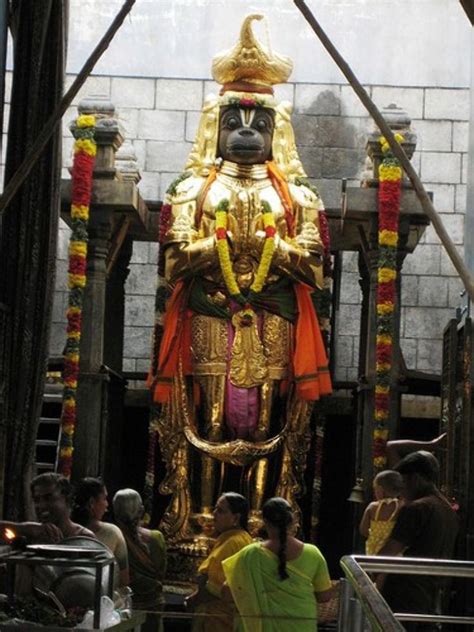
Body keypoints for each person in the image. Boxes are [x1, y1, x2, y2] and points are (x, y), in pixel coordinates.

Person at [147, 13, 332, 541]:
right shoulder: (193, 190)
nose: (246, 133)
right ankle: (201, 519)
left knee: (272, 418)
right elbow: (174, 263)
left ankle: (263, 521)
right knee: (207, 420)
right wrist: (218, 247)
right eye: (235, 122)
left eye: (258, 124)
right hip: (212, 313)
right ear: (215, 127)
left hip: (273, 317)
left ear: (278, 132)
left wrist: (268, 248)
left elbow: (315, 267)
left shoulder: (298, 196)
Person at [223, 497, 333, 631]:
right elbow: (324, 596)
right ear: (292, 521)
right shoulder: (313, 553)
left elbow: (228, 593)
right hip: (302, 625)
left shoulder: (250, 554)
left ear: (265, 522)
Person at [378, 451, 459, 631]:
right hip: (431, 596)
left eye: (404, 482)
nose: (402, 489)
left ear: (415, 479)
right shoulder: (447, 510)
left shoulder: (417, 508)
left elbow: (388, 553)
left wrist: (367, 576)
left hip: (406, 596)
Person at [185, 492, 253, 631]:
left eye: (221, 511)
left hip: (219, 618)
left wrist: (194, 600)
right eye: (215, 509)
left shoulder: (233, 542)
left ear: (236, 517)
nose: (214, 514)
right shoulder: (237, 538)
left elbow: (215, 588)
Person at [113, 488, 166, 632]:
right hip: (153, 604)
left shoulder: (114, 538)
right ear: (141, 510)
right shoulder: (157, 538)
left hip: (125, 608)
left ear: (115, 512)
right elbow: (162, 572)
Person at [0, 472, 94, 542]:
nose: (42, 505)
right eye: (37, 500)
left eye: (48, 498)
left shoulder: (83, 538)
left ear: (66, 499)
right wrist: (25, 529)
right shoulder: (32, 533)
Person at [72, 477, 130, 587]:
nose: (107, 505)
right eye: (104, 499)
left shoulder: (63, 530)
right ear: (92, 503)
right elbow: (124, 580)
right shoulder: (112, 532)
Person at [359, 470, 403, 555]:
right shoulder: (401, 507)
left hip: (374, 550)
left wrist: (375, 536)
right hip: (393, 551)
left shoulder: (372, 507)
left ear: (380, 490)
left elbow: (363, 530)